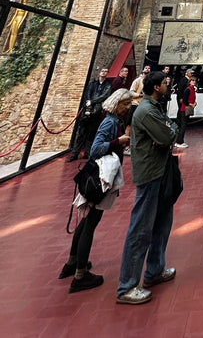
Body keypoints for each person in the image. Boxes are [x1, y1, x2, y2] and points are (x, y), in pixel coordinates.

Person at [60, 89, 132, 291]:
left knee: (86, 220)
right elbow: (95, 149)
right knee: (91, 222)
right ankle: (80, 275)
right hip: (98, 178)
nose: (127, 108)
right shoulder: (110, 122)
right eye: (125, 104)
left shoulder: (113, 121)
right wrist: (118, 142)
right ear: (116, 104)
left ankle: (73, 261)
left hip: (98, 176)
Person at [116, 71, 178, 304]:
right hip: (150, 172)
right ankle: (127, 286)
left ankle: (154, 270)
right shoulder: (146, 110)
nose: (166, 86)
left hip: (160, 171)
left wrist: (168, 129)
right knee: (141, 228)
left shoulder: (154, 107)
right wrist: (168, 131)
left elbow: (169, 127)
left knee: (162, 222)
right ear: (155, 87)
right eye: (164, 83)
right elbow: (167, 135)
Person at [69, 67, 113, 161]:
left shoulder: (108, 85)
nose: (103, 72)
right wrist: (88, 106)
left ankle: (88, 153)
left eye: (105, 71)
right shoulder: (92, 84)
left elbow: (104, 96)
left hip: (96, 111)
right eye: (102, 71)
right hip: (87, 110)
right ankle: (75, 153)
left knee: (91, 134)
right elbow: (87, 94)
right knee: (81, 133)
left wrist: (92, 102)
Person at [175, 75, 196, 148]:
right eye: (192, 80)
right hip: (184, 109)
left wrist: (194, 103)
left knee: (184, 125)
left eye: (194, 80)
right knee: (183, 126)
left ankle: (180, 141)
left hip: (188, 109)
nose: (194, 82)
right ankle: (179, 141)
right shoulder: (188, 89)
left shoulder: (193, 89)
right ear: (189, 82)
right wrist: (191, 104)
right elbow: (185, 100)